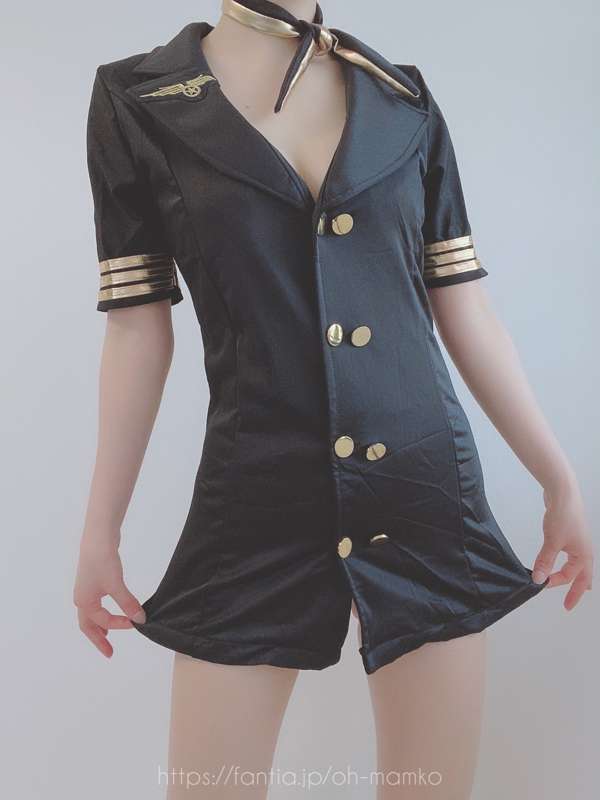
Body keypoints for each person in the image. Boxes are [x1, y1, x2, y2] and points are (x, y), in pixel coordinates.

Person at [74, 1, 594, 797]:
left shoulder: (403, 98)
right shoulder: (138, 98)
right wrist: (100, 529)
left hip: (425, 492)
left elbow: (463, 305)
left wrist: (558, 479)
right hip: (256, 496)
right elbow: (137, 330)